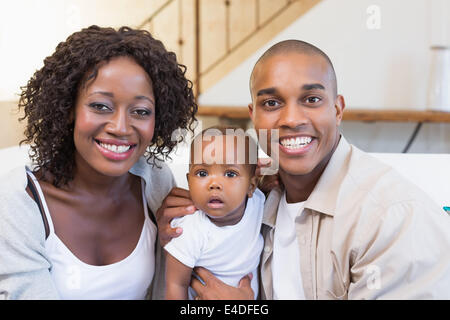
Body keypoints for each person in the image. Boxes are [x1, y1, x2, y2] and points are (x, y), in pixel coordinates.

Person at [157, 39, 450, 299]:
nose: (292, 119)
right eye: (272, 103)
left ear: (337, 110)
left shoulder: (391, 218)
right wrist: (185, 216)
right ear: (253, 116)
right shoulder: (255, 198)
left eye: (311, 99)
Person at [0, 25, 197, 299]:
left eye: (140, 111)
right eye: (100, 106)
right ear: (69, 108)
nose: (120, 127)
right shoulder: (20, 201)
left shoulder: (156, 181)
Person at [164, 126, 264, 300]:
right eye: (202, 173)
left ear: (251, 187)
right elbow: (175, 284)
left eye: (230, 174)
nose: (214, 184)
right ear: (189, 182)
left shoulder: (257, 203)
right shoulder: (190, 230)